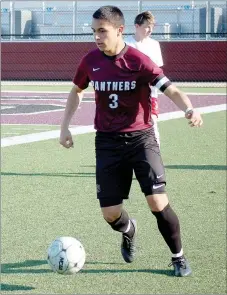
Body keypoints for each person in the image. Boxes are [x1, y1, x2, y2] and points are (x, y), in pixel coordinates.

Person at [59, 6, 203, 277]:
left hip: (141, 138)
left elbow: (170, 88)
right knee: (110, 214)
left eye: (102, 31)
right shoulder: (90, 61)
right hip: (107, 142)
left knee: (157, 203)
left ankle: (178, 257)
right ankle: (129, 230)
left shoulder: (139, 61)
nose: (97, 37)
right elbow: (76, 90)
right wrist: (64, 126)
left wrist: (189, 108)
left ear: (119, 30)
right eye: (94, 32)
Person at [125, 11, 163, 146]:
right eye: (147, 26)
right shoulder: (126, 44)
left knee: (152, 123)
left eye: (152, 26)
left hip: (149, 94)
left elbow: (157, 70)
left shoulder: (155, 45)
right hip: (129, 94)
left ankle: (154, 153)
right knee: (128, 125)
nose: (150, 29)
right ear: (137, 26)